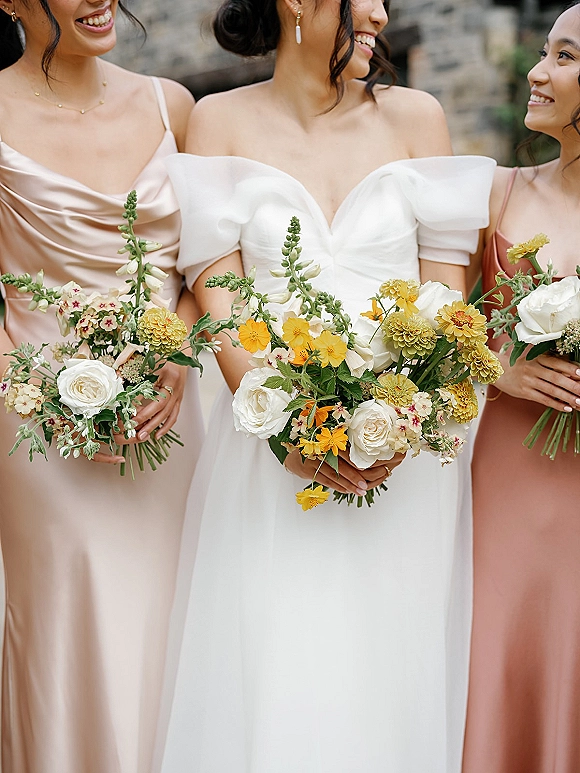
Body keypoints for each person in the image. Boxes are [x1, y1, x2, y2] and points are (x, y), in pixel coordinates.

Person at [162, 0, 495, 771]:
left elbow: (445, 302)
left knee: (390, 676)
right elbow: (222, 294)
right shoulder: (216, 122)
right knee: (279, 667)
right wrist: (292, 431)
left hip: (402, 460)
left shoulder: (418, 117)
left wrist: (396, 420)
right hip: (272, 452)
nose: (380, 13)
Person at [0, 1, 204, 771]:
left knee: (172, 622)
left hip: (172, 411)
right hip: (42, 427)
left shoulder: (171, 104)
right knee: (69, 624)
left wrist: (179, 352)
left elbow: (209, 268)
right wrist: (36, 388)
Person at [462, 5, 580, 772]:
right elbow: (434, 326)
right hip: (505, 479)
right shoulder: (494, 194)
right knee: (498, 649)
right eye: (543, 52)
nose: (536, 73)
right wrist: (500, 365)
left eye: (565, 57)